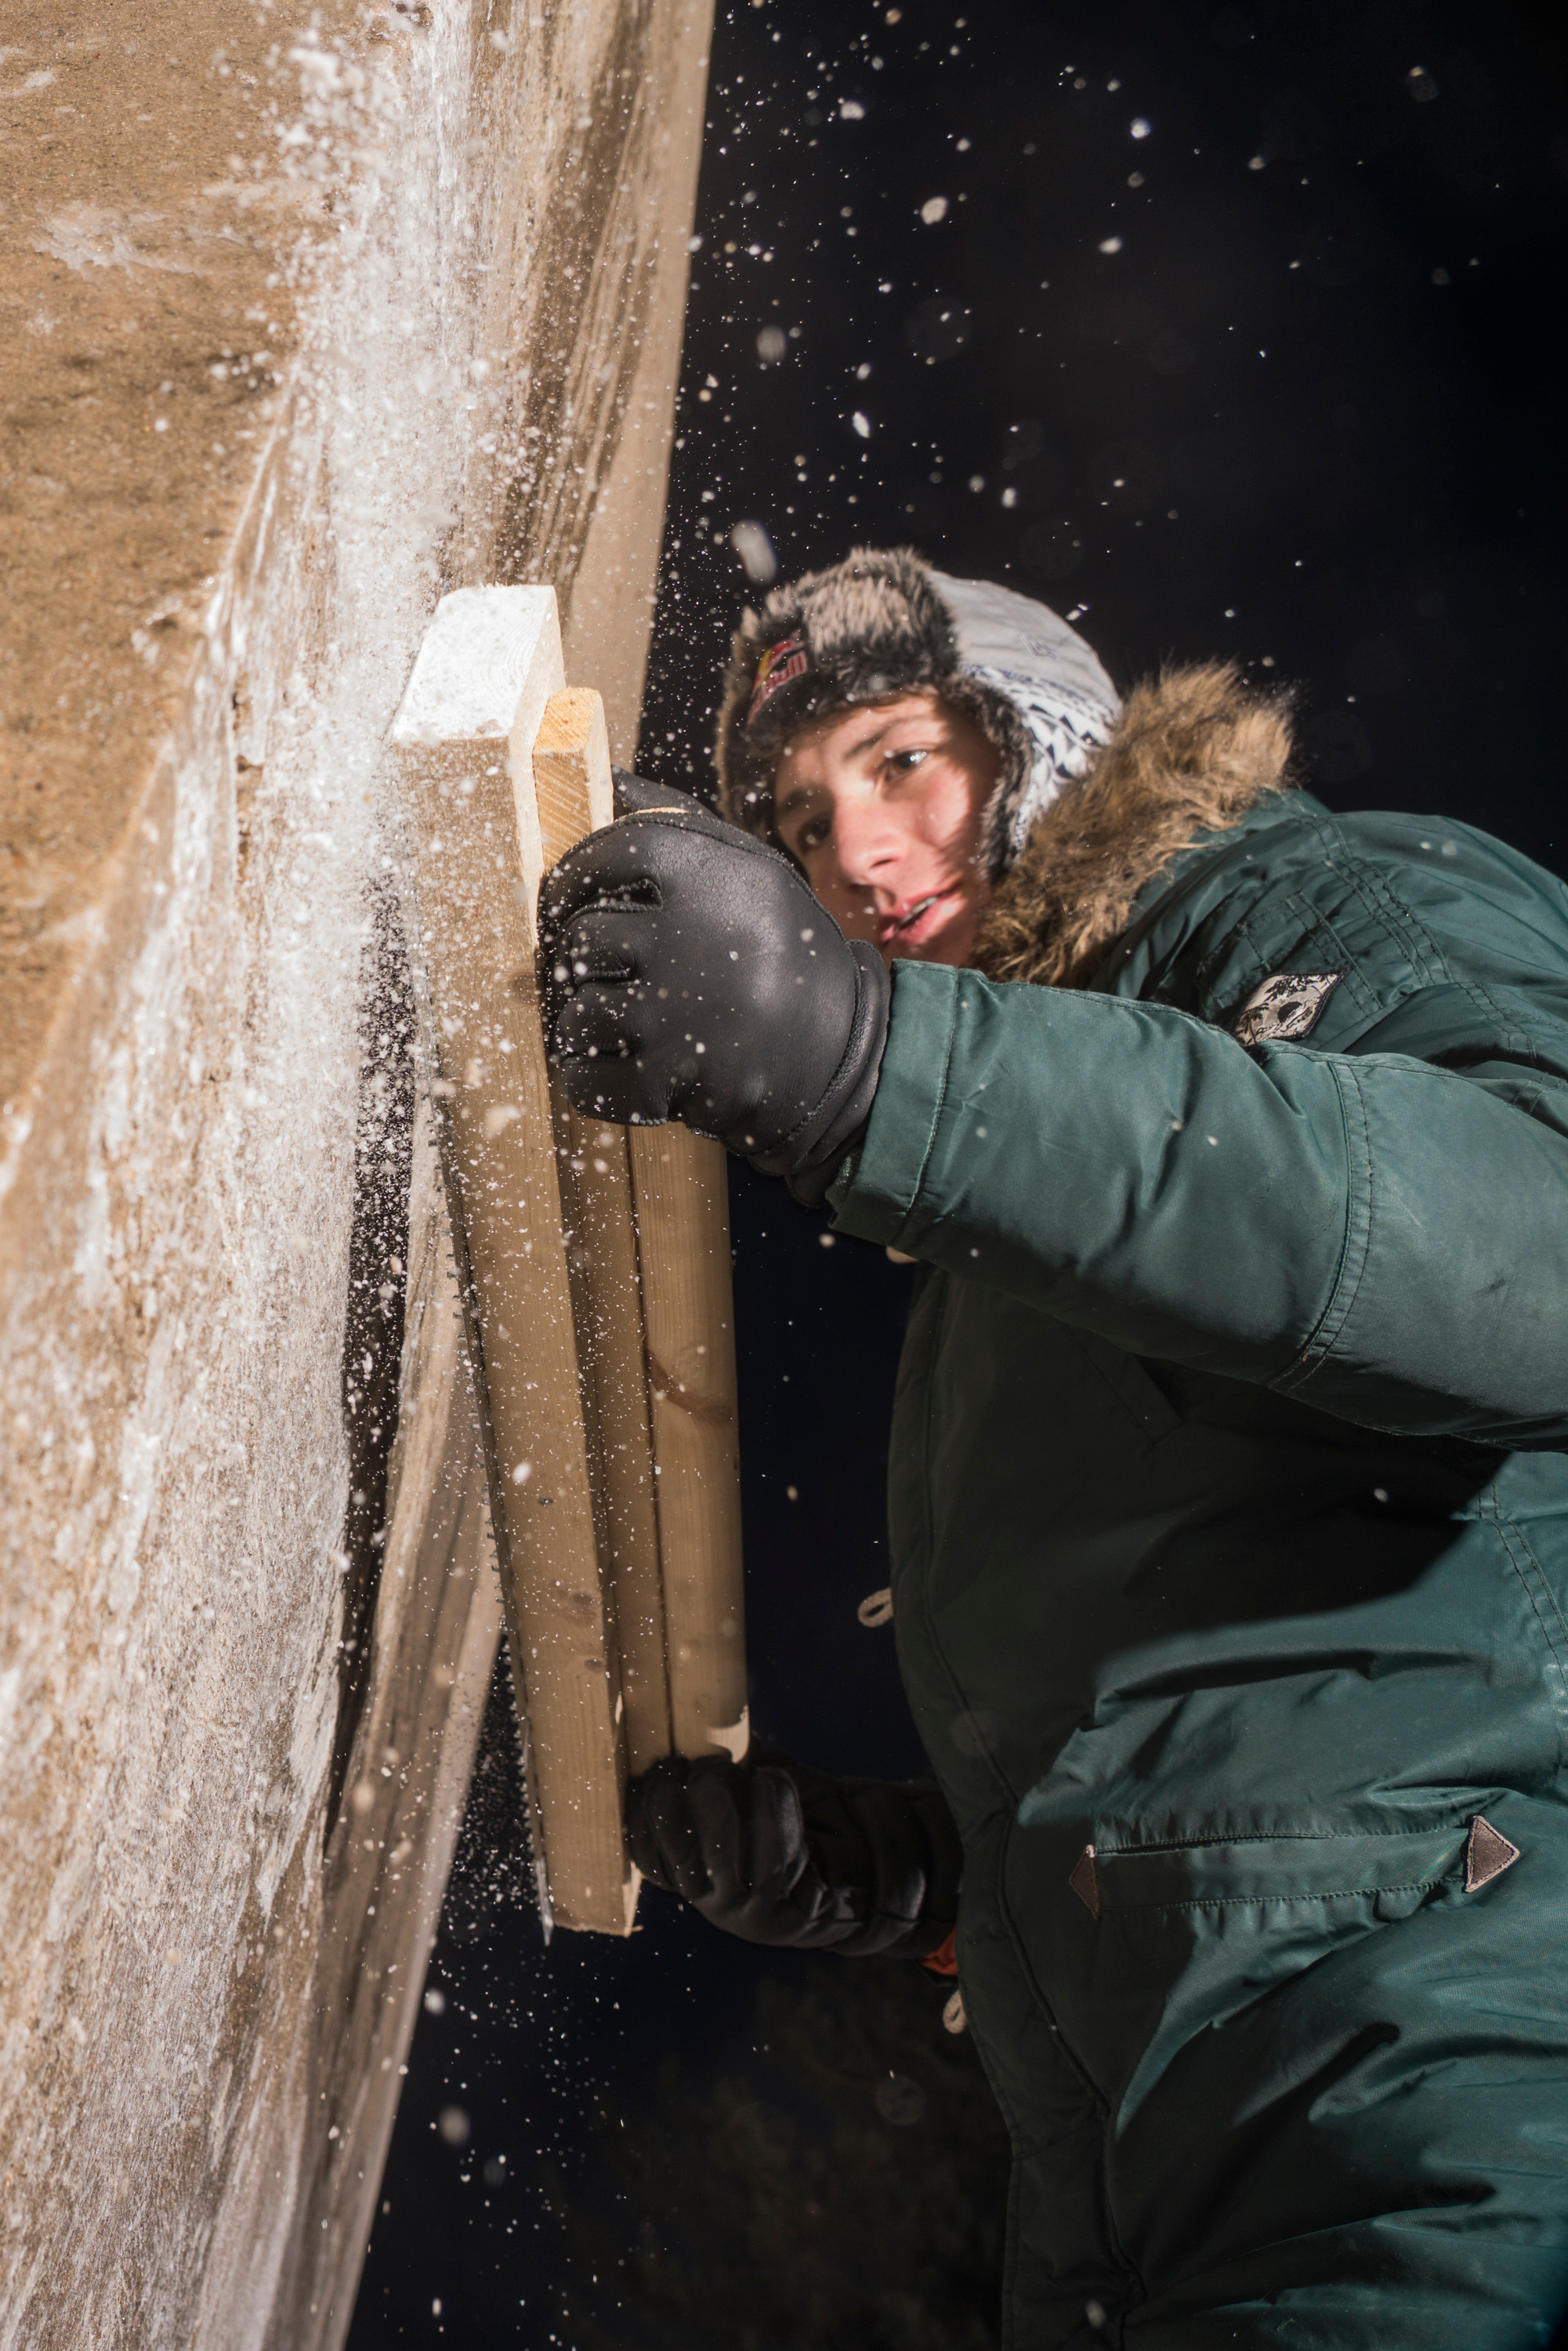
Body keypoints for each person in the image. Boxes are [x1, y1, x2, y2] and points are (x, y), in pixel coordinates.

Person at [538, 547, 1568, 2348]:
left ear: (1043, 736)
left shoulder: (1318, 903)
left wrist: (877, 1067)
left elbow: (1530, 1262)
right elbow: (1250, 1673)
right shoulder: (1017, 1211)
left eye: (900, 762)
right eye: (801, 823)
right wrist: (924, 1875)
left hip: (1446, 2084)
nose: (857, 857)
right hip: (1145, 2157)